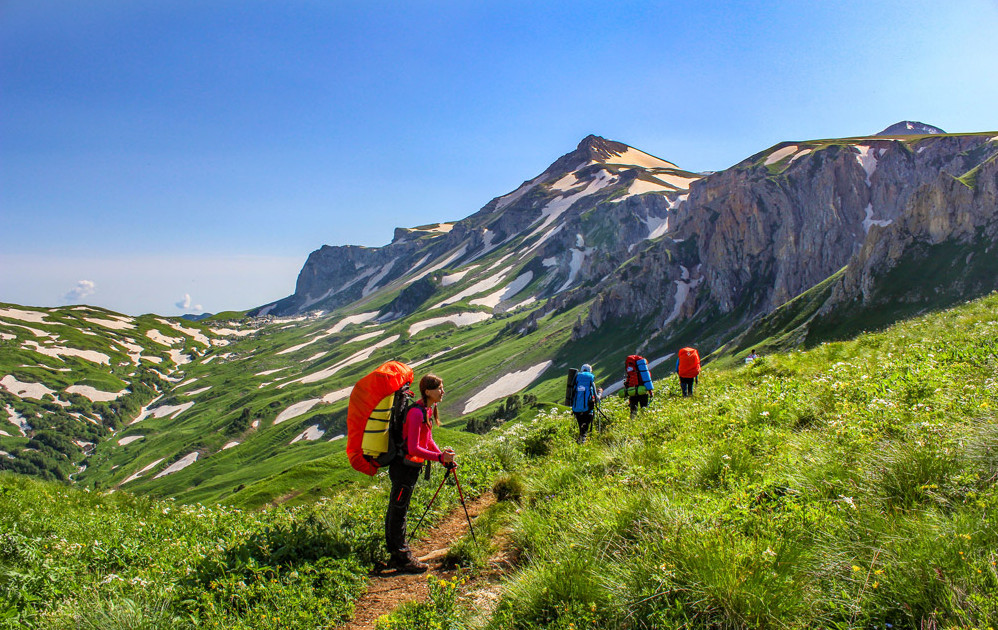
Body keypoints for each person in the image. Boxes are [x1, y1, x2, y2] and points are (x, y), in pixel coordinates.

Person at [385, 373, 455, 573]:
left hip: (409, 468)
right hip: (404, 468)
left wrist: (442, 456)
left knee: (397, 509)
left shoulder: (427, 409)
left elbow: (428, 438)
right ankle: (402, 557)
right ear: (427, 391)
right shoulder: (417, 413)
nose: (443, 392)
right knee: (399, 511)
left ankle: (396, 554)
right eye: (439, 388)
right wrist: (440, 458)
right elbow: (414, 448)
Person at [571, 364, 598, 443]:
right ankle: (583, 439)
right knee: (586, 423)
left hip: (577, 407)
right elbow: (595, 395)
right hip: (588, 407)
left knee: (581, 424)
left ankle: (581, 438)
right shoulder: (590, 378)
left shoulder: (577, 378)